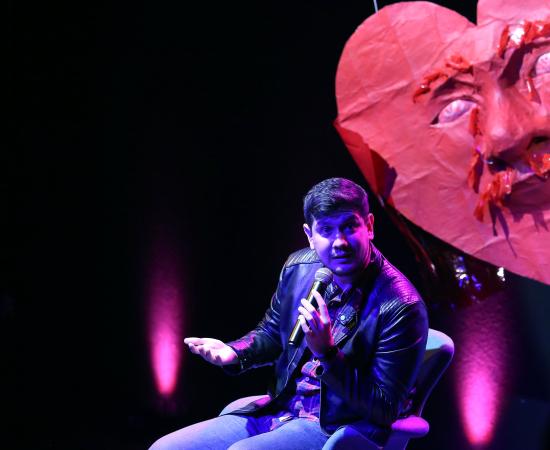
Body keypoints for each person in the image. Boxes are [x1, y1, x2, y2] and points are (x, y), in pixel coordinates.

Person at [149, 177, 428, 450]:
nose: (339, 242)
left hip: (333, 428)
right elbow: (272, 333)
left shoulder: (400, 305)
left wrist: (328, 354)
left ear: (369, 226)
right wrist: (234, 352)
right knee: (165, 447)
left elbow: (385, 408)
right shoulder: (299, 268)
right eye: (326, 230)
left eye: (349, 226)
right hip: (279, 409)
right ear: (309, 235)